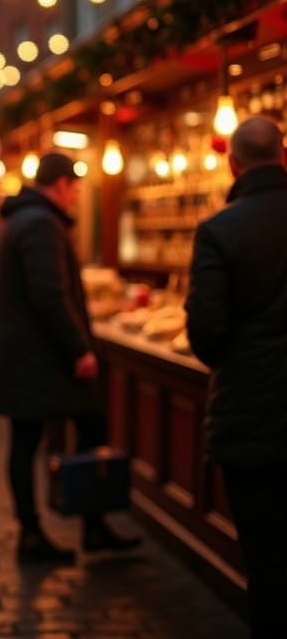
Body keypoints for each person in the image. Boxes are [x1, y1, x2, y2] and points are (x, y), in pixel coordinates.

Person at [0, 151, 140, 563]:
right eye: (74, 187)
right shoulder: (40, 224)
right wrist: (79, 349)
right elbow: (49, 294)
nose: (75, 196)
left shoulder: (20, 220)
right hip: (40, 358)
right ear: (60, 184)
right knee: (87, 427)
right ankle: (62, 529)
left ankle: (53, 528)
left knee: (29, 440)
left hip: (23, 356)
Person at [185, 116, 287, 639]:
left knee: (266, 562)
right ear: (284, 156)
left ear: (232, 162)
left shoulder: (219, 230)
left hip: (249, 417)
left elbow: (205, 332)